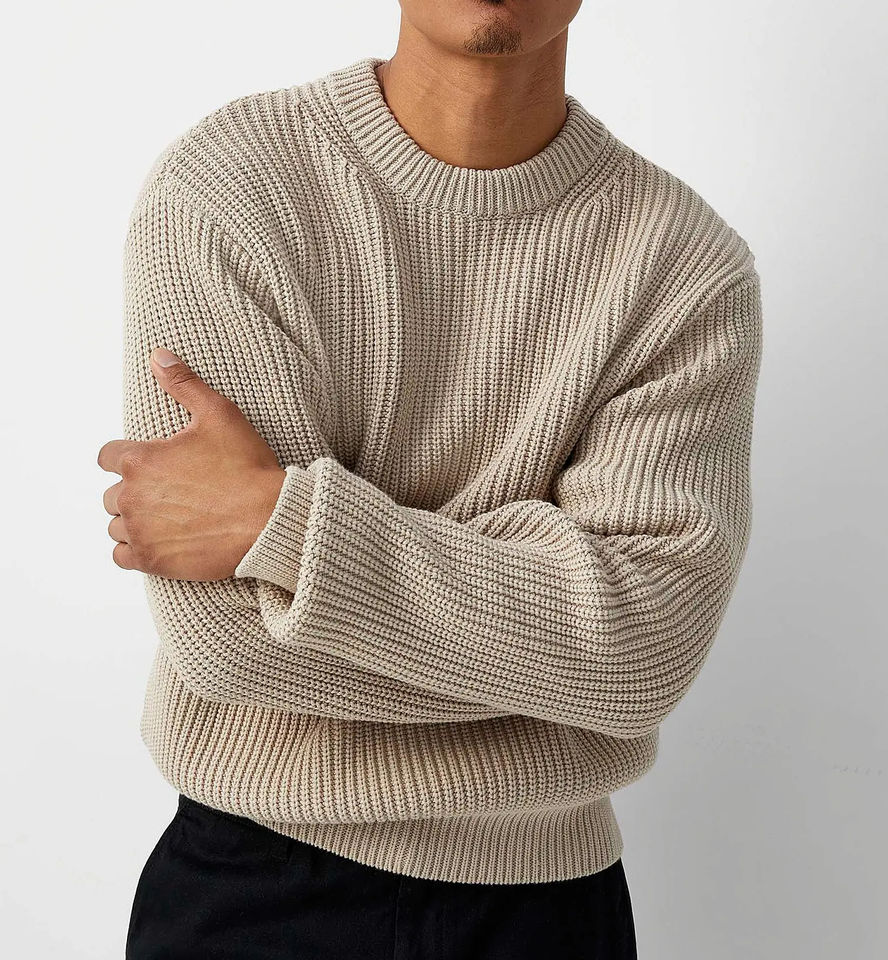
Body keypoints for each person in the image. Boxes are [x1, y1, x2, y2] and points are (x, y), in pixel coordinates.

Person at [97, 1, 763, 957]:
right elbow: (227, 641)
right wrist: (551, 642)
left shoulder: (685, 267)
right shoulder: (231, 186)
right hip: (253, 889)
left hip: (550, 910)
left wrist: (288, 527)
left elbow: (643, 651)